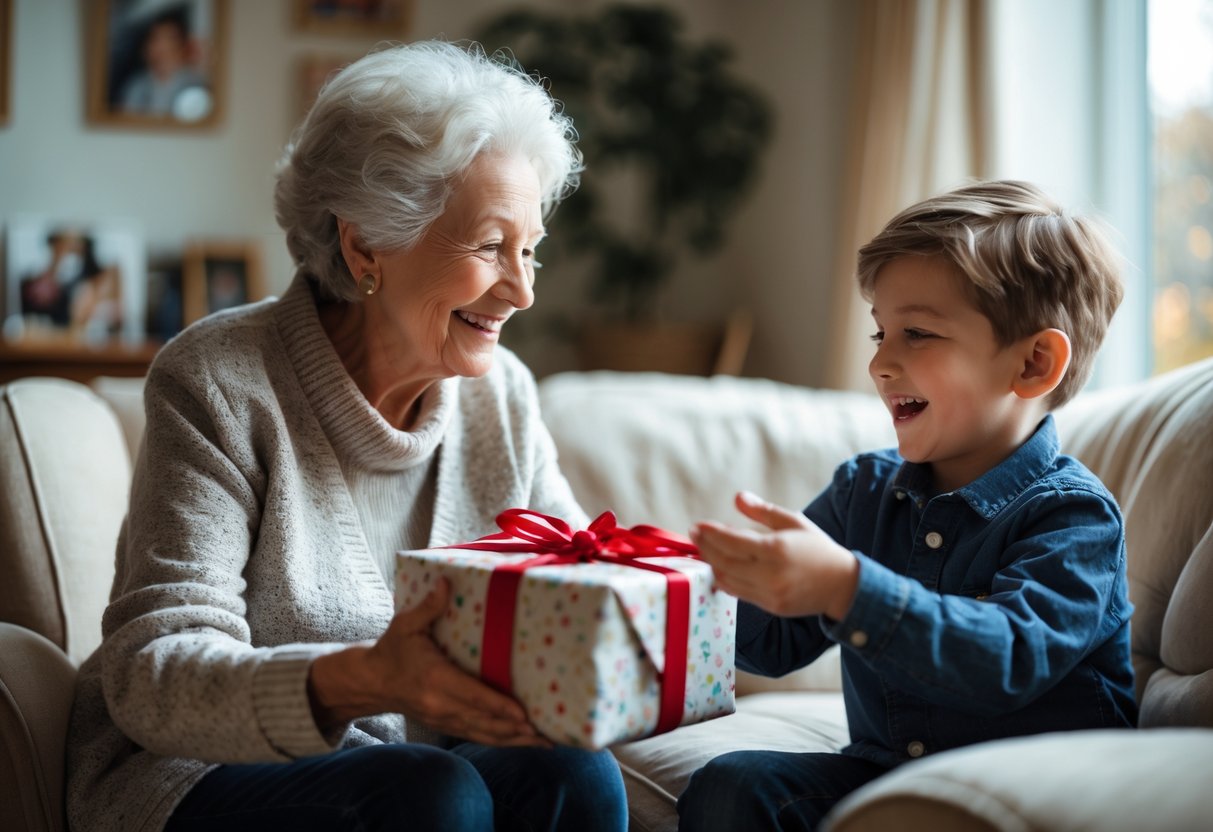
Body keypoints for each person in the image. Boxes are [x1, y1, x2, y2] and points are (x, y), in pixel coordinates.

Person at [67, 41, 628, 832]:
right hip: (207, 769)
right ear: (366, 243)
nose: (523, 290)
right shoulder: (220, 380)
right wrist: (363, 680)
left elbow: (572, 582)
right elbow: (152, 677)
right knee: (430, 793)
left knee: (575, 775)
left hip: (429, 764)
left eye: (530, 250)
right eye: (491, 247)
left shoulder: (500, 395)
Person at [678, 180, 1136, 831]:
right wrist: (698, 587)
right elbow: (774, 643)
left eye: (916, 333)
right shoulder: (863, 491)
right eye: (879, 334)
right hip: (886, 778)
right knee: (734, 788)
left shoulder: (1072, 517)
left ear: (1034, 363)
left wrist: (846, 587)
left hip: (1035, 797)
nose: (881, 364)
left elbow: (1006, 660)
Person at [118, 8, 212, 120]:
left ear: (183, 47)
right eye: (155, 40)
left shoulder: (197, 85)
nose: (161, 48)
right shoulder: (136, 86)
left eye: (169, 40)